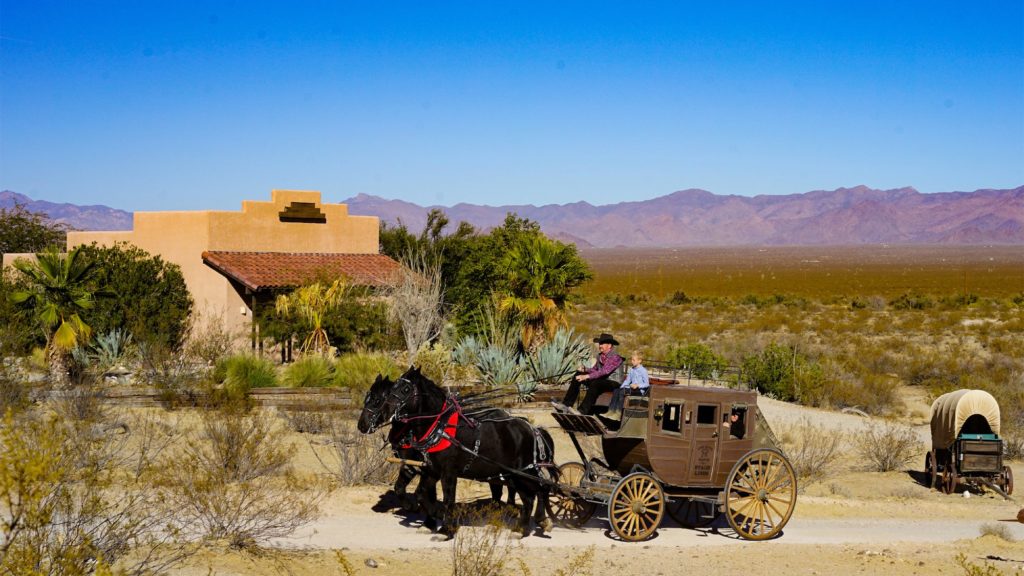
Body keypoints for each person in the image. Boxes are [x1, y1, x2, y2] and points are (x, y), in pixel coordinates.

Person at [556, 333, 625, 415]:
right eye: (600, 343)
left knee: (596, 383)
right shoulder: (600, 356)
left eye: (602, 343)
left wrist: (586, 376)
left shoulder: (615, 357)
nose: (600, 345)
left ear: (609, 345)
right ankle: (566, 404)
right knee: (578, 375)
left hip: (613, 382)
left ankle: (582, 411)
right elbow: (595, 370)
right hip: (602, 381)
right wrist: (585, 369)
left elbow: (604, 371)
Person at [606, 352, 649, 418]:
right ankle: (611, 411)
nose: (632, 362)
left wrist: (637, 385)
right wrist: (621, 386)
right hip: (631, 388)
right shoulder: (632, 369)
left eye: (634, 360)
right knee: (617, 390)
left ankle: (618, 413)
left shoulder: (643, 371)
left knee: (622, 392)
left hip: (639, 391)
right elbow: (627, 380)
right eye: (631, 360)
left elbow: (647, 384)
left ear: (639, 361)